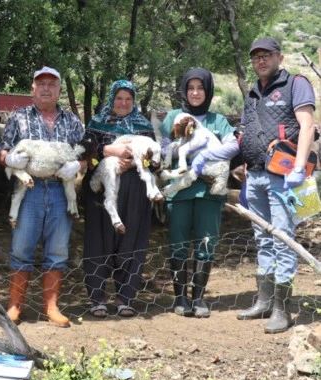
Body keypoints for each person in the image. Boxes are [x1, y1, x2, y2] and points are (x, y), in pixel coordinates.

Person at [197, 38, 316, 333]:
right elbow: (247, 133)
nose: (261, 61)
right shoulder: (252, 93)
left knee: (282, 238)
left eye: (266, 56)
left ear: (280, 57)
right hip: (257, 176)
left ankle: (282, 309)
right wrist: (241, 162)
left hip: (285, 175)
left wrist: (299, 167)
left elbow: (308, 126)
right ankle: (264, 301)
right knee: (262, 238)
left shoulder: (295, 84)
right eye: (256, 57)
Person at [0, 67, 84, 327]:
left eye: (52, 84)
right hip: (29, 190)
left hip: (60, 189)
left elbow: (84, 154)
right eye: (41, 84)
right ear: (33, 89)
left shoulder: (71, 121)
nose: (46, 88)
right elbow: (2, 152)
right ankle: (15, 305)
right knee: (21, 249)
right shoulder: (19, 117)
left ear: (59, 90)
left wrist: (78, 166)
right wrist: (9, 159)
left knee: (58, 250)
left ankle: (52, 306)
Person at [159, 68, 236, 318]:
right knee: (178, 242)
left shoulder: (218, 121)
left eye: (200, 88)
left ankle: (199, 298)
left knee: (206, 242)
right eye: (190, 88)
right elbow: (163, 148)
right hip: (179, 192)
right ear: (184, 90)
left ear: (208, 91)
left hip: (209, 193)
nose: (195, 93)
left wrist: (201, 158)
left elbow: (232, 147)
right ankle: (180, 297)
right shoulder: (173, 117)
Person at [81, 80, 156, 318]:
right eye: (119, 98)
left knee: (131, 240)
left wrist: (135, 161)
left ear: (134, 102)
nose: (123, 103)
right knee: (98, 240)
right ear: (111, 99)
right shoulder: (96, 123)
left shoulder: (143, 126)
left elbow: (153, 160)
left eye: (128, 99)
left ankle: (125, 297)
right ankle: (97, 297)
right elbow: (86, 155)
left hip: (135, 191)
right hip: (102, 190)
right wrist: (107, 152)